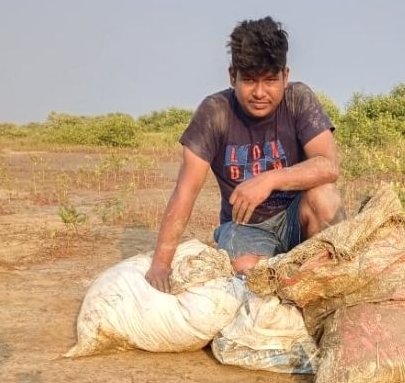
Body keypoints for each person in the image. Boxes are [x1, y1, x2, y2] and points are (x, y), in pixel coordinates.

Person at [146, 16, 344, 292]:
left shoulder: (299, 99)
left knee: (325, 197)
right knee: (248, 274)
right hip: (246, 227)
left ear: (285, 76)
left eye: (270, 80)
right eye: (249, 80)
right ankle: (287, 275)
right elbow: (185, 192)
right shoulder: (215, 113)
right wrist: (161, 264)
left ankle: (322, 284)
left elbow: (328, 166)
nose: (260, 92)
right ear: (232, 76)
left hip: (295, 219)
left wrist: (269, 180)